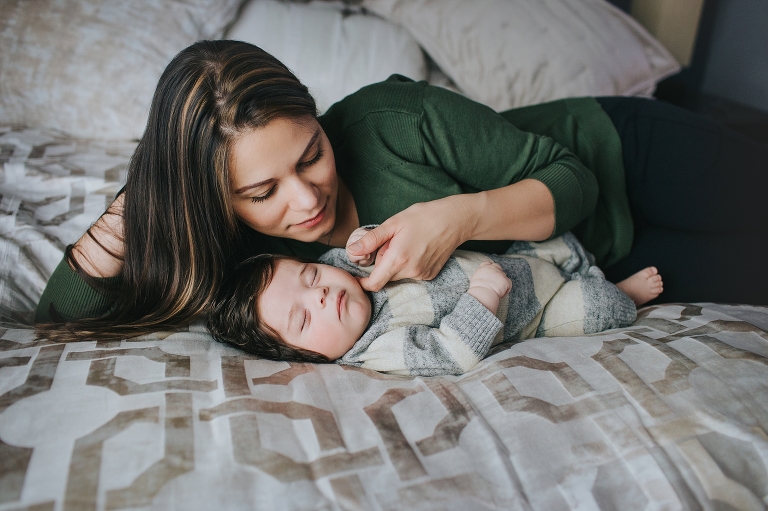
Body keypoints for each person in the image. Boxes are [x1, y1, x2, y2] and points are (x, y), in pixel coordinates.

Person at [35, 40, 767, 342]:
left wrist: (458, 216)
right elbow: (59, 320)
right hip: (605, 261)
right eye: (262, 190)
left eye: (311, 153)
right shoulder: (245, 261)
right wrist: (142, 200)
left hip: (617, 155)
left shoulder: (391, 119)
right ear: (219, 202)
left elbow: (571, 177)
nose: (306, 199)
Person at [206, 227, 663, 376]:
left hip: (509, 260)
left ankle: (577, 261)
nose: (321, 293)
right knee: (597, 308)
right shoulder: (378, 349)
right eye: (304, 317)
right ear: (305, 356)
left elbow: (358, 246)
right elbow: (450, 352)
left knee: (554, 241)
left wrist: (366, 240)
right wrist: (483, 296)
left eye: (309, 276)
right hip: (534, 310)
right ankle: (622, 291)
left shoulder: (346, 269)